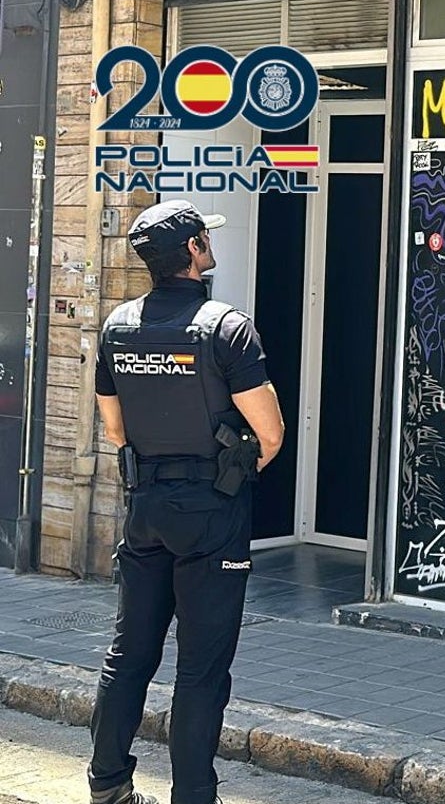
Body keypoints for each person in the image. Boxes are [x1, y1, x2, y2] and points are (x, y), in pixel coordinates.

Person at [87, 199, 285, 804]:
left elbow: (115, 430)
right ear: (195, 251)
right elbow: (271, 432)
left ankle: (108, 785)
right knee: (200, 669)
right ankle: (193, 795)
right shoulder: (226, 326)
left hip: (145, 507)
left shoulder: (117, 325)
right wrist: (228, 467)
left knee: (130, 652)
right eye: (204, 237)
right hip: (211, 512)